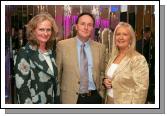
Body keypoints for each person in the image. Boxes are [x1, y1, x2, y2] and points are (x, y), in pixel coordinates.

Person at [56, 12, 106, 104]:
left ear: (92, 28)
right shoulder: (62, 46)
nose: (86, 27)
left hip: (94, 98)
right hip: (70, 99)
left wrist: (101, 92)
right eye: (82, 24)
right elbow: (57, 75)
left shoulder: (100, 48)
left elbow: (102, 72)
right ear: (76, 26)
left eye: (89, 25)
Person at [14, 12, 60, 104]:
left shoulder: (51, 52)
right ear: (33, 31)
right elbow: (22, 88)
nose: (45, 33)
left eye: (48, 30)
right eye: (41, 29)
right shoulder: (24, 52)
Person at [103, 22, 149, 104]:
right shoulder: (113, 56)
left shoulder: (138, 59)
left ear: (131, 39)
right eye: (118, 34)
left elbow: (141, 90)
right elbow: (112, 77)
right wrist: (105, 80)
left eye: (125, 34)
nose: (120, 37)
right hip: (109, 102)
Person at [136, 26, 155, 103]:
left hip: (144, 67)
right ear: (146, 33)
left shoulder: (138, 42)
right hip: (144, 67)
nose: (149, 34)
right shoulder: (148, 43)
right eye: (148, 32)